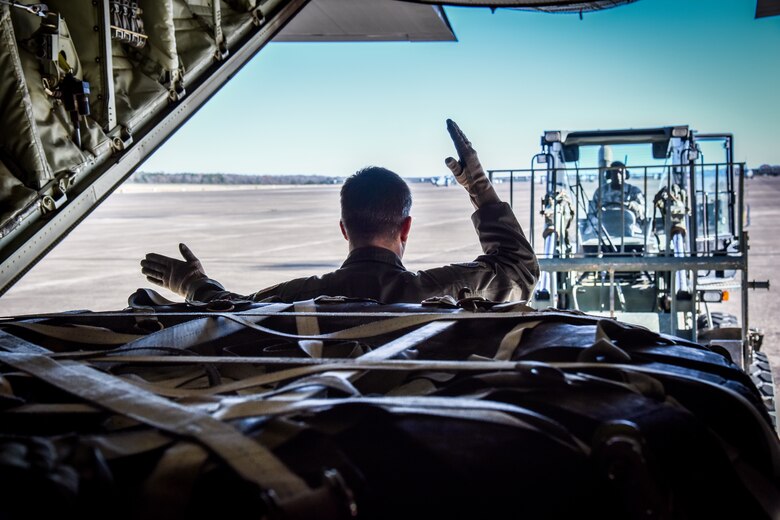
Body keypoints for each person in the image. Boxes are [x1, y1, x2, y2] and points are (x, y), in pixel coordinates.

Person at [140, 120, 539, 304]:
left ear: (344, 229)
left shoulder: (297, 297)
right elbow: (520, 272)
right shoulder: (439, 292)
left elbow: (234, 310)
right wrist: (479, 188)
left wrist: (193, 283)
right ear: (406, 228)